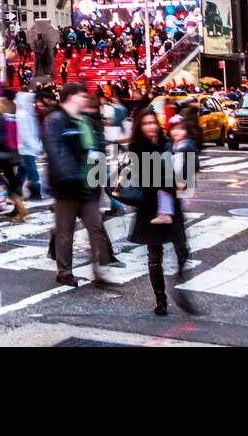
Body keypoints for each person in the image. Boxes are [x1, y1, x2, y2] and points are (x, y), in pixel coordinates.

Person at [43, 84, 120, 286]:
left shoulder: (85, 121)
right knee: (65, 232)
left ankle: (98, 271)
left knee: (95, 228)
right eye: (81, 95)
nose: (85, 99)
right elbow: (55, 151)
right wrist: (70, 175)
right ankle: (64, 272)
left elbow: (95, 147)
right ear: (70, 97)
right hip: (67, 186)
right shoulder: (55, 120)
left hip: (88, 184)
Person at [127, 109, 192, 316]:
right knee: (155, 256)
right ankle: (161, 298)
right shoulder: (137, 148)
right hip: (150, 207)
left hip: (170, 204)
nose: (150, 127)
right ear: (140, 126)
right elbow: (144, 179)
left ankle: (180, 282)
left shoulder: (165, 143)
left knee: (182, 249)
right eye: (145, 123)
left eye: (152, 122)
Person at [16, 88, 44, 201]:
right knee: (31, 170)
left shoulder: (26, 112)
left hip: (27, 147)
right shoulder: (24, 114)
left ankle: (15, 190)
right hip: (26, 147)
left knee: (23, 169)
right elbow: (26, 131)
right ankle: (33, 190)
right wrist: (34, 145)